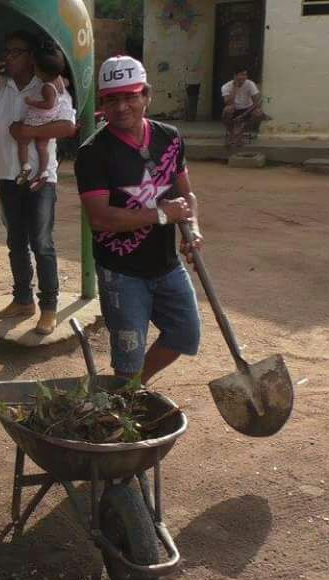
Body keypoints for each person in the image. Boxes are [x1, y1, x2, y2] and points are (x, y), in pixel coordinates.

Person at [74, 56, 202, 384]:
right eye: (111, 99)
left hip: (167, 265)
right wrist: (160, 215)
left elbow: (186, 195)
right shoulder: (92, 153)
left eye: (130, 96)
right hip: (122, 274)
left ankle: (130, 391)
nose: (121, 107)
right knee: (128, 358)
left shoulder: (169, 137)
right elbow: (100, 219)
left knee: (185, 334)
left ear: (147, 95)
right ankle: (127, 392)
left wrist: (193, 228)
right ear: (102, 103)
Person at [0, 30, 76, 335]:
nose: (8, 57)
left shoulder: (49, 84)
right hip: (7, 177)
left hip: (41, 179)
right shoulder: (0, 88)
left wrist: (28, 132)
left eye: (15, 52)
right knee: (16, 242)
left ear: (31, 56)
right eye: (6, 51)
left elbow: (67, 126)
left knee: (41, 243)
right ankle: (22, 300)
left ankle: (49, 308)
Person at [13, 47, 73, 192]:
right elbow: (66, 84)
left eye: (35, 67)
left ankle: (25, 166)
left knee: (23, 141)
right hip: (50, 119)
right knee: (41, 147)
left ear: (41, 72)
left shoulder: (46, 87)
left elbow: (48, 104)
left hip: (38, 119)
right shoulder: (60, 81)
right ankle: (43, 171)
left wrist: (32, 102)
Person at [221, 69, 266, 144]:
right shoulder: (226, 86)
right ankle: (232, 134)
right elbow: (228, 103)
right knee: (227, 110)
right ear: (235, 76)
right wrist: (235, 87)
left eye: (245, 75)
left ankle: (240, 134)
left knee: (259, 113)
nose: (244, 77)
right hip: (234, 109)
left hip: (248, 109)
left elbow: (256, 103)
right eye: (241, 75)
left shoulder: (250, 84)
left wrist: (242, 115)